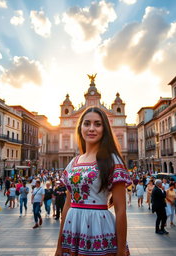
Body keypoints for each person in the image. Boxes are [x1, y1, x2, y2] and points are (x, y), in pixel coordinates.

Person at [55, 107, 131, 256]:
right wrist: (59, 246)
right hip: (72, 230)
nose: (91, 128)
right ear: (80, 127)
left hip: (99, 230)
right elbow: (67, 206)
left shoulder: (112, 160)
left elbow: (121, 210)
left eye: (98, 124)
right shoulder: (74, 162)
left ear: (105, 129)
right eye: (87, 123)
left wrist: (121, 251)